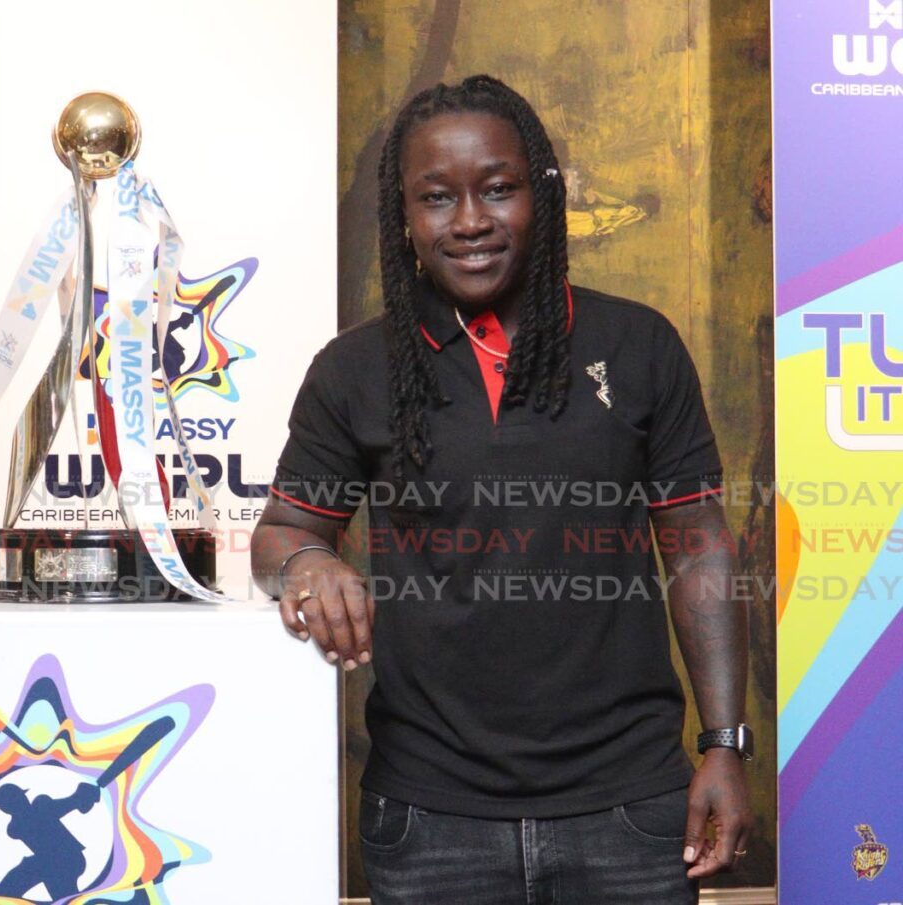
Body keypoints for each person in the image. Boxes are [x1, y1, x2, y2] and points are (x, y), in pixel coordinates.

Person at [250, 75, 752, 904]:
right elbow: (278, 532)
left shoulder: (638, 345)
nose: (472, 220)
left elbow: (698, 544)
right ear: (403, 215)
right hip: (429, 813)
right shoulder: (354, 370)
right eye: (438, 197)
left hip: (627, 807)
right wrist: (307, 561)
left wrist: (725, 744)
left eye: (498, 188)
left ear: (542, 194)